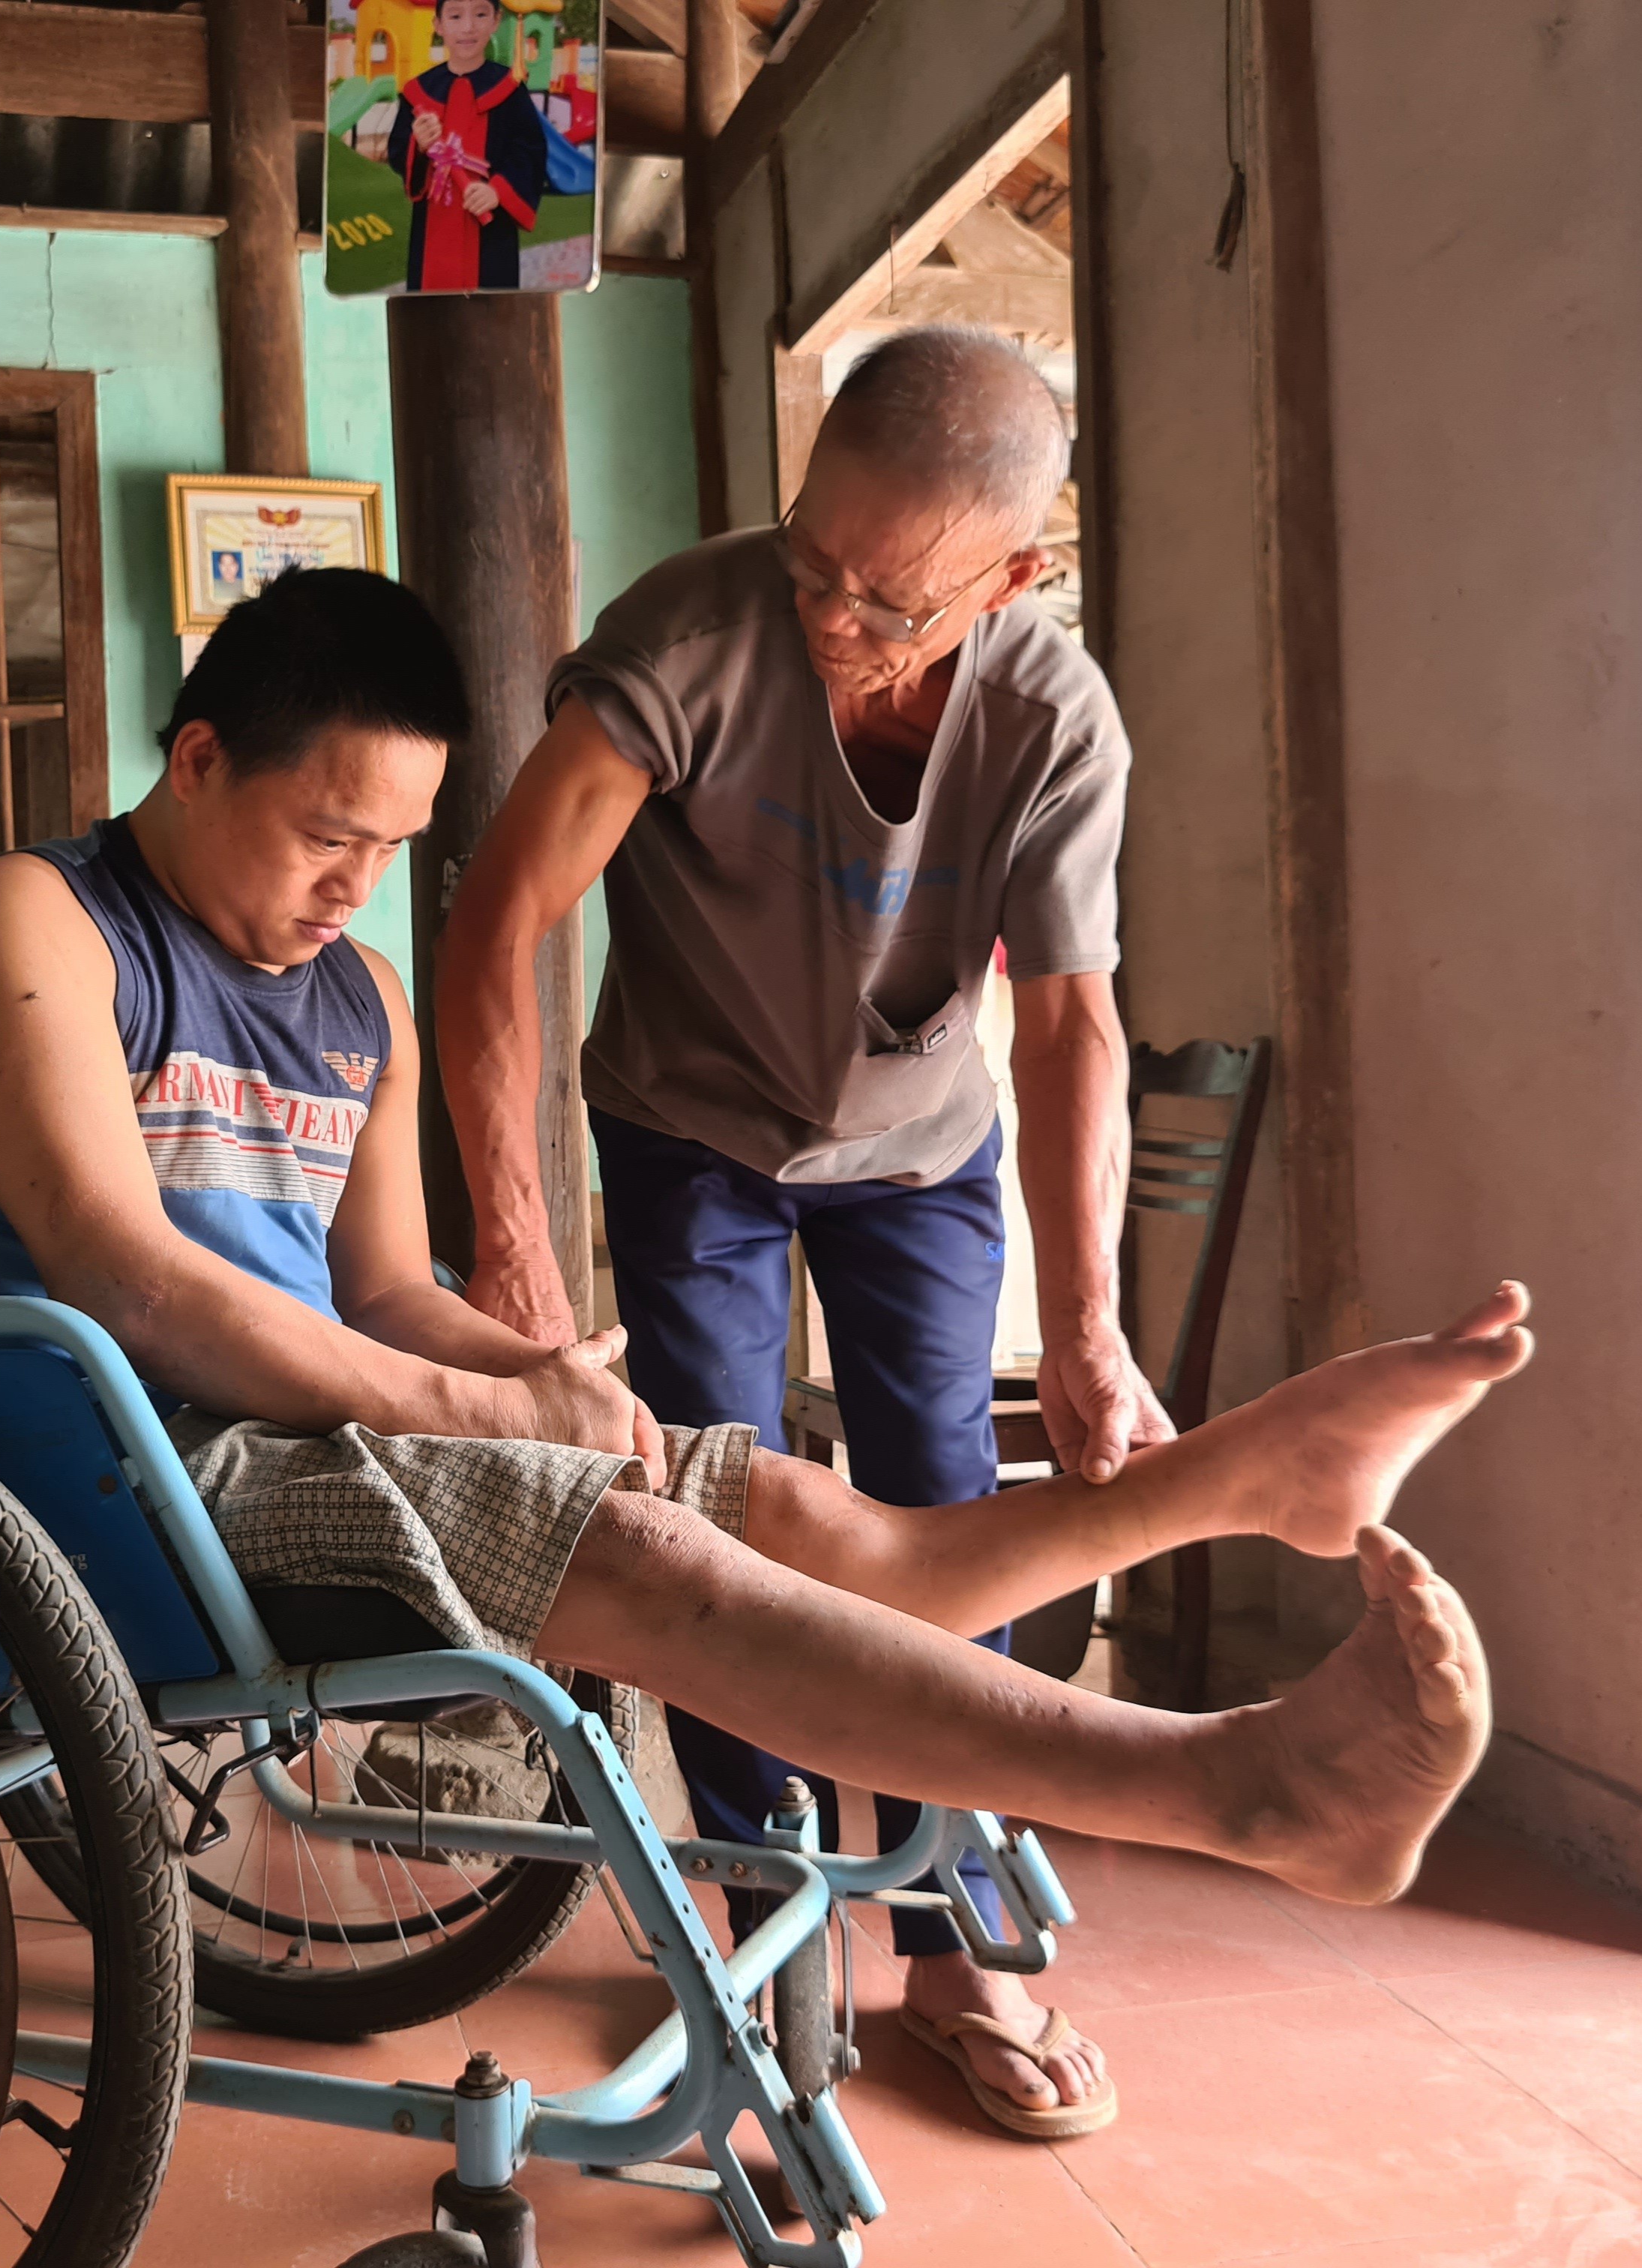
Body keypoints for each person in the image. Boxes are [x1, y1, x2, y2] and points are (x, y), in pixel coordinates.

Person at [0, 569, 1524, 2055]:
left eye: (391, 849)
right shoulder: (31, 920)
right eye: (326, 837)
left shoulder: (353, 997)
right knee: (648, 1563)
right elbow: (125, 1275)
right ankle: (1229, 1788)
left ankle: (1234, 1486)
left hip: (304, 1437)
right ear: (198, 756)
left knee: (792, 1503)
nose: (353, 891)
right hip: (97, 1467)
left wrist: (535, 1368)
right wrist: (488, 1413)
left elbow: (380, 1291)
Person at [432, 325, 1154, 2132]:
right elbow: (499, 921)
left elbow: (1068, 1023)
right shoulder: (687, 640)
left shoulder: (1053, 719)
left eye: (887, 597)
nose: (831, 615)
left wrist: (1086, 1328)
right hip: (688, 1130)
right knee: (721, 1509)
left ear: (1014, 575)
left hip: (916, 1147)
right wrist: (519, 1254)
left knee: (942, 1521)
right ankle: (758, 1933)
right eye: (810, 559)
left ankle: (960, 1939)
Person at [386, 0, 549, 292]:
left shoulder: (509, 89)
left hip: (490, 229)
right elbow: (399, 153)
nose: (468, 27)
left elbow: (530, 152)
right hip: (433, 228)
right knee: (430, 307)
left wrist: (498, 191)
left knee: (493, 309)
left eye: (481, 14)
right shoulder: (418, 92)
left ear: (496, 21)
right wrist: (419, 146)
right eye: (456, 16)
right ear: (438, 25)